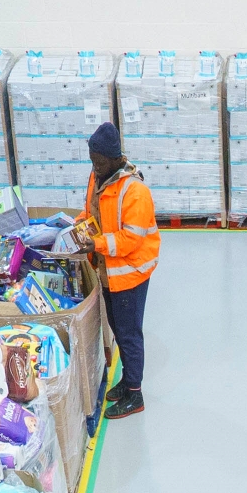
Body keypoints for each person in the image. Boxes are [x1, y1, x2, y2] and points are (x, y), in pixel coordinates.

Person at [77, 122, 157, 421]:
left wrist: (96, 244)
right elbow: (91, 211)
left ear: (115, 159)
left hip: (130, 274)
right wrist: (78, 227)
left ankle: (135, 394)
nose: (95, 168)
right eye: (92, 161)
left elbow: (131, 239)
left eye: (99, 163)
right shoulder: (97, 177)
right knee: (117, 328)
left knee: (129, 333)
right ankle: (127, 381)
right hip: (108, 271)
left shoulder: (135, 191)